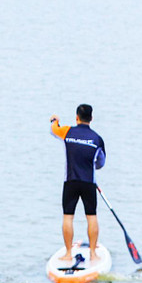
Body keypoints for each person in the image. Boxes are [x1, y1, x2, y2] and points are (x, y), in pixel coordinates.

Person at [51, 104, 106, 264]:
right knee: (92, 216)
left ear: (77, 117)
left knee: (68, 216)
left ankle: (68, 253)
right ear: (91, 118)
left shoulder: (67, 131)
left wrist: (55, 120)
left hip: (71, 182)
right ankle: (93, 255)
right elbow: (100, 163)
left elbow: (53, 130)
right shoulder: (97, 139)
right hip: (89, 183)